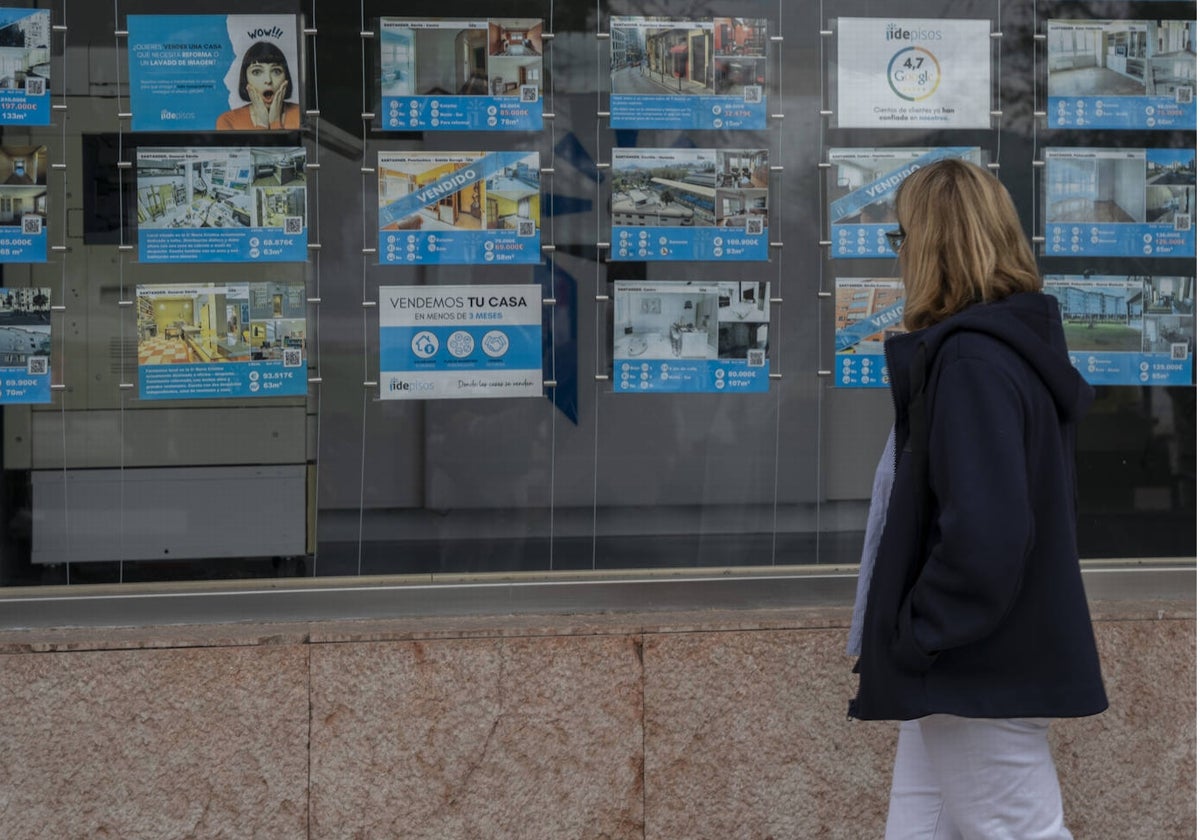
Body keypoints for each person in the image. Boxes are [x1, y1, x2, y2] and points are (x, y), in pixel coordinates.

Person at [846, 158, 1107, 839]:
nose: (896, 256)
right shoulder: (996, 353)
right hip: (969, 666)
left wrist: (919, 636)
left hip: (973, 666)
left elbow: (987, 534)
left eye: (900, 238)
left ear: (932, 247)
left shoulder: (973, 363)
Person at [216, 41, 300, 130]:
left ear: (285, 78)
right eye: (257, 72)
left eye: (276, 71)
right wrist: (262, 124)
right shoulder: (227, 121)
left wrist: (275, 121)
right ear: (246, 79)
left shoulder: (301, 115)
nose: (268, 80)